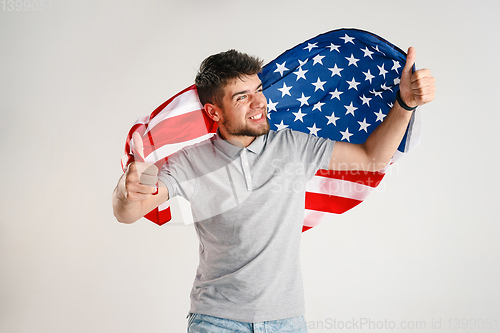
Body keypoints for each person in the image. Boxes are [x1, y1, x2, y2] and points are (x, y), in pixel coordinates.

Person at [112, 49, 435, 332]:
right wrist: (128, 189)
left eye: (258, 90)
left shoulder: (292, 145)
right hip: (217, 321)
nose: (259, 103)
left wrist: (405, 103)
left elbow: (372, 158)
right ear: (214, 112)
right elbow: (129, 213)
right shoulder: (191, 161)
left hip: (286, 321)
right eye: (242, 97)